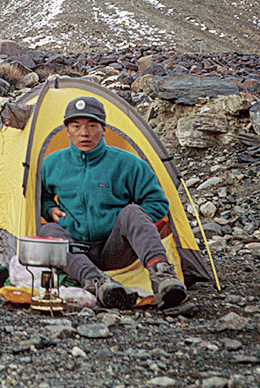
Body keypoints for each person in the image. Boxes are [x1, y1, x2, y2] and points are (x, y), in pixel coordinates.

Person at [39, 96, 187, 309]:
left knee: (132, 212)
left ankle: (163, 276)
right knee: (49, 231)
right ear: (67, 130)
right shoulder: (52, 163)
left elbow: (157, 203)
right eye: (76, 126)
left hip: (117, 249)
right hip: (76, 251)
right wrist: (49, 208)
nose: (85, 133)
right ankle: (97, 283)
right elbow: (41, 197)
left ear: (104, 129)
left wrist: (130, 223)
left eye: (92, 125)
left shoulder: (128, 163)